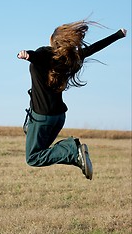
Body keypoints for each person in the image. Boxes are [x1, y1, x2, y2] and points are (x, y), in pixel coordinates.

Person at [17, 20, 127, 180]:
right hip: (59, 117)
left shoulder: (44, 54)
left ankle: (73, 150)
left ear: (52, 40)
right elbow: (93, 48)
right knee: (44, 150)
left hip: (42, 118)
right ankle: (76, 155)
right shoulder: (70, 58)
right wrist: (118, 35)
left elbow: (38, 56)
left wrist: (28, 55)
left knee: (33, 157)